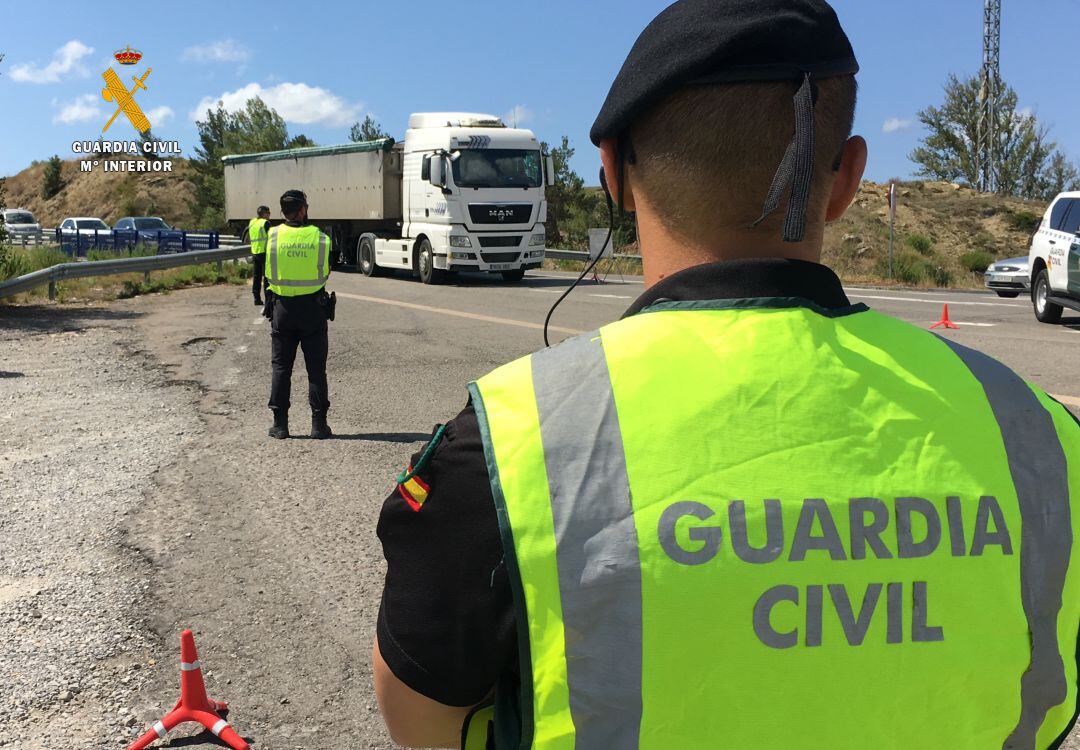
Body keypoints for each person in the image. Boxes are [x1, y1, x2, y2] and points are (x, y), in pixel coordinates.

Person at [373, 1, 1080, 747]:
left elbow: (418, 715)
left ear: (612, 170)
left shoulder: (509, 445)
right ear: (847, 180)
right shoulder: (1041, 437)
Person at [264, 190, 333, 440]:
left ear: (282, 212)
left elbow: (268, 273)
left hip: (282, 309)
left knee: (281, 367)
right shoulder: (320, 237)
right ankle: (318, 425)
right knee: (316, 369)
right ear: (303, 209)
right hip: (313, 310)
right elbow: (325, 272)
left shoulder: (272, 236)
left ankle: (280, 425)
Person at [246, 205, 271, 305]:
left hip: (255, 252)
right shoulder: (265, 223)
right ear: (264, 214)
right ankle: (268, 299)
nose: (269, 215)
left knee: (257, 277)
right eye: (268, 213)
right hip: (264, 252)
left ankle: (256, 298)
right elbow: (271, 237)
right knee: (267, 277)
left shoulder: (252, 222)